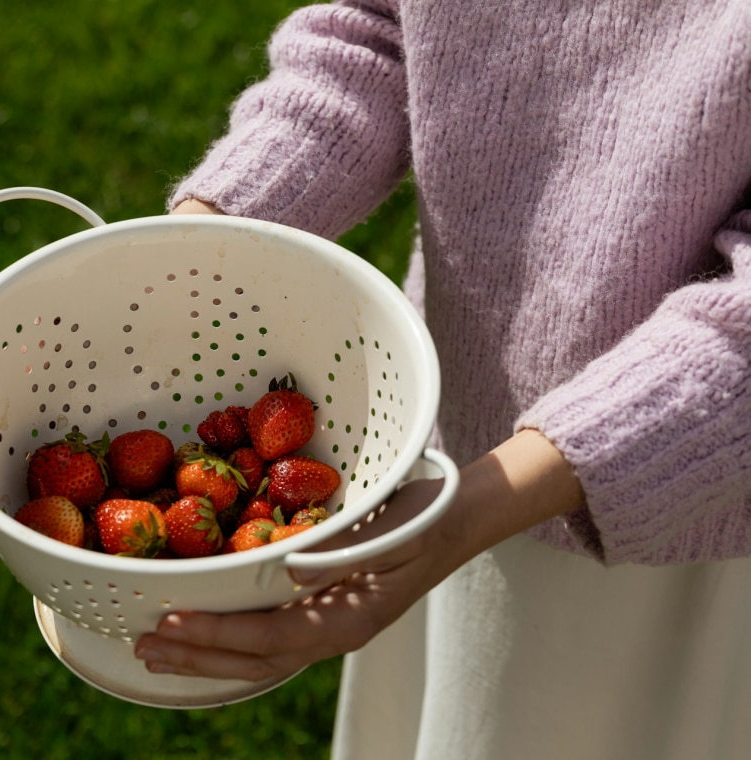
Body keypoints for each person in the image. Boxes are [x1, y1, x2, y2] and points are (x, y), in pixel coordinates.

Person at [126, 2, 751, 758]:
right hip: (447, 446)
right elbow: (382, 32)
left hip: (675, 506)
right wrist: (194, 249)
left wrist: (466, 515)